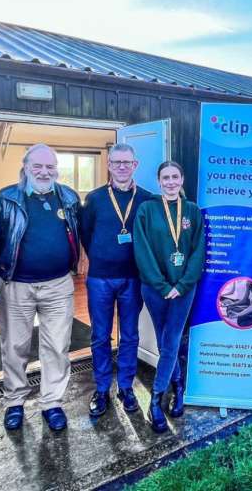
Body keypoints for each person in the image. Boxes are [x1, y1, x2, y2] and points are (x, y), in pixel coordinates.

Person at [0, 143, 81, 432]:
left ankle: (51, 402)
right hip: (16, 285)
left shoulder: (68, 197)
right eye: (37, 166)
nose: (44, 172)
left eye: (50, 166)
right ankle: (15, 400)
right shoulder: (6, 198)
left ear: (57, 169)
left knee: (57, 346)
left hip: (58, 285)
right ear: (25, 168)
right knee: (15, 346)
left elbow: (79, 234)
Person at [78, 143, 154, 418]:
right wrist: (100, 257)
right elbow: (86, 233)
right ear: (109, 165)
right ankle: (101, 389)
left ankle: (125, 387)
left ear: (135, 165)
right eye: (116, 162)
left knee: (130, 335)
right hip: (100, 279)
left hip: (133, 278)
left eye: (127, 162)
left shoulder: (147, 199)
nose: (122, 166)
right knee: (99, 336)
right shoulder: (95, 198)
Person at [133, 161, 205, 433]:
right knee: (166, 341)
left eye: (175, 176)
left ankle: (155, 398)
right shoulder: (147, 210)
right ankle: (178, 386)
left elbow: (199, 250)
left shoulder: (192, 211)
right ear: (159, 180)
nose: (171, 182)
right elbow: (142, 250)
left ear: (182, 179)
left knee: (172, 338)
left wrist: (183, 284)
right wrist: (163, 286)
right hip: (154, 288)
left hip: (184, 289)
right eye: (166, 177)